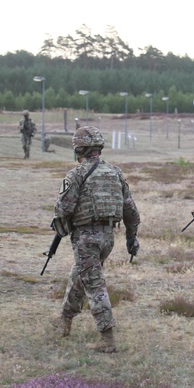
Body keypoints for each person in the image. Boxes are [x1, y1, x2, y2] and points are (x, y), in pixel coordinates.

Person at [52, 126, 140, 352]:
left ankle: (107, 337)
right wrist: (131, 238)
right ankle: (65, 319)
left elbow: (63, 209)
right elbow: (131, 210)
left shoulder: (77, 174)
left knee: (94, 284)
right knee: (80, 276)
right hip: (108, 238)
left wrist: (63, 222)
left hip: (86, 238)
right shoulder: (115, 173)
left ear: (79, 148)